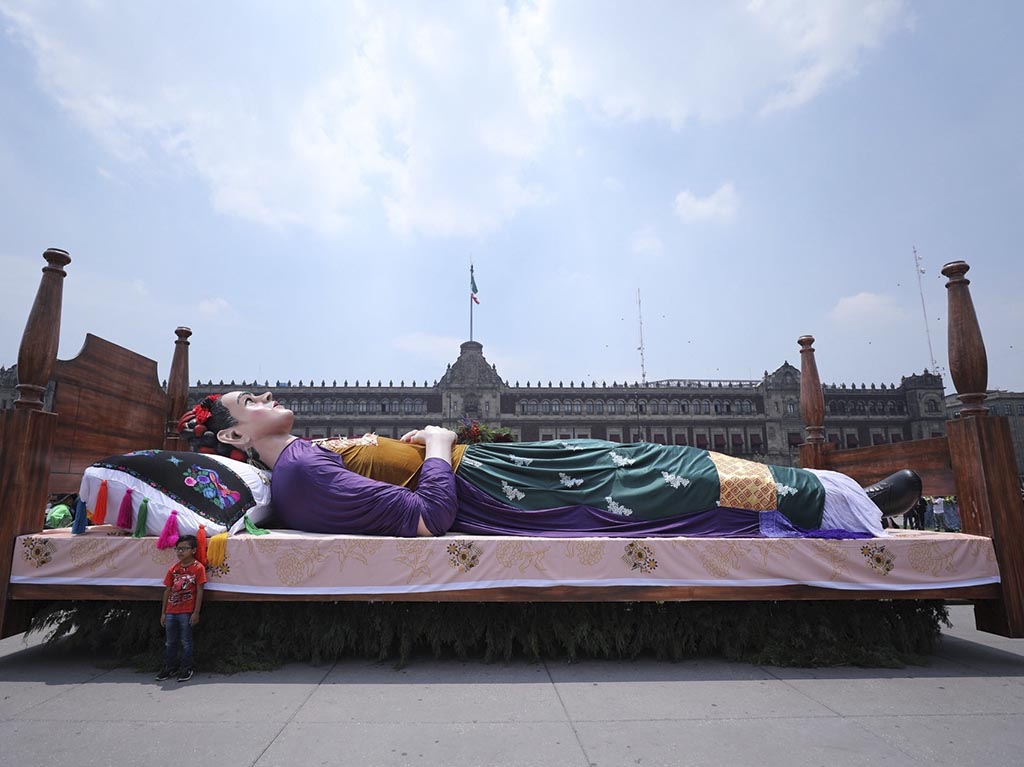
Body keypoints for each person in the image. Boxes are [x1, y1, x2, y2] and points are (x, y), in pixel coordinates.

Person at [177, 392, 920, 540]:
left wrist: (414, 443)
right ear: (237, 437)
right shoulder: (301, 476)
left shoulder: (308, 458)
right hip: (503, 490)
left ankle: (830, 494)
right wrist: (436, 446)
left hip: (506, 465)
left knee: (655, 454)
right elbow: (426, 518)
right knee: (666, 480)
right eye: (251, 397)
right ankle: (844, 507)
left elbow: (392, 482)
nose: (268, 394)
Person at [157, 534, 206, 682]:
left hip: (187, 611)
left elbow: (200, 590)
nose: (180, 552)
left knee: (186, 641)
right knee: (170, 642)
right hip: (171, 611)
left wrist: (196, 612)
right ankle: (170, 667)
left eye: (184, 548)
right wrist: (163, 613)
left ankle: (186, 668)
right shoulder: (173, 569)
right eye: (178, 549)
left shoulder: (198, 568)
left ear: (193, 550)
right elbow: (167, 590)